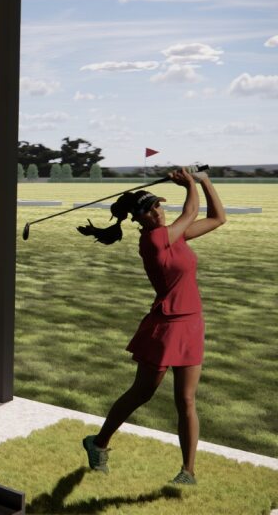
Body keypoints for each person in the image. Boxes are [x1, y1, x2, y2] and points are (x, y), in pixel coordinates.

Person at [78, 167, 225, 486]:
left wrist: (205, 181)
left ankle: (188, 472)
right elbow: (191, 212)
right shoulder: (154, 240)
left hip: (191, 323)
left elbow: (217, 218)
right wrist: (190, 183)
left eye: (157, 205)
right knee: (142, 392)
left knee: (186, 400)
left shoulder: (174, 235)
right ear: (138, 219)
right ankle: (98, 443)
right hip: (165, 326)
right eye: (148, 210)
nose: (157, 211)